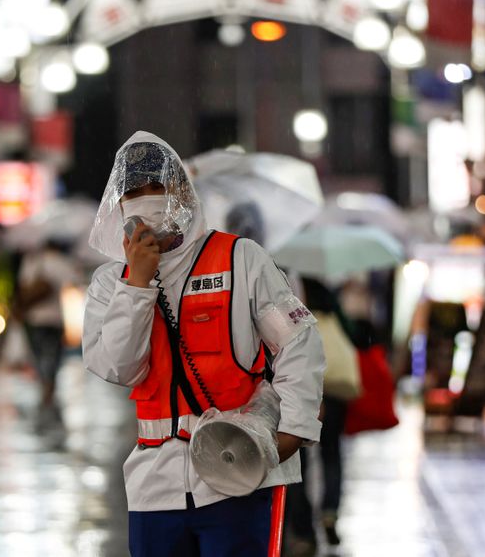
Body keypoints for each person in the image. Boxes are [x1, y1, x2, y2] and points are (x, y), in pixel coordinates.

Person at [82, 131, 326, 557]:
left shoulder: (241, 259)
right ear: (118, 205)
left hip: (238, 470)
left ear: (180, 192)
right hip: (153, 486)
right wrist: (137, 286)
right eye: (133, 192)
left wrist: (293, 431)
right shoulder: (110, 284)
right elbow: (118, 368)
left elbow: (299, 343)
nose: (146, 199)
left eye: (156, 187)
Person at [287, 277, 359, 554]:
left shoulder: (286, 295)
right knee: (331, 453)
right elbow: (354, 336)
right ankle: (329, 512)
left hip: (302, 389)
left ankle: (304, 529)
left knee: (297, 461)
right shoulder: (329, 299)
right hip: (334, 390)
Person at [16, 240, 80, 414]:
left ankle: (45, 384)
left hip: (35, 318)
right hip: (55, 318)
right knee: (53, 353)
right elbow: (74, 281)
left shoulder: (31, 261)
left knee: (38, 353)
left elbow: (23, 286)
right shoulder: (60, 261)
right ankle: (49, 384)